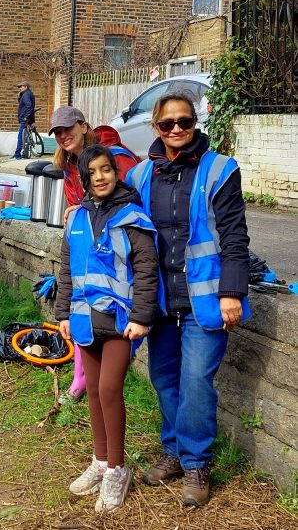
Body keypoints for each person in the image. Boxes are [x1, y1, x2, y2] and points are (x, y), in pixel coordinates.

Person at [126, 92, 250, 507]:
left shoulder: (219, 170)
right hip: (158, 301)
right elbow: (117, 219)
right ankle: (174, 452)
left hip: (206, 299)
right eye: (168, 124)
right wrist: (80, 209)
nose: (177, 129)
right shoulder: (141, 175)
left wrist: (232, 291)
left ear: (196, 123)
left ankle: (197, 462)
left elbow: (234, 235)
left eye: (185, 122)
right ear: (155, 128)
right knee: (164, 379)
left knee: (196, 382)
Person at [55, 145, 158, 514]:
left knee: (111, 388)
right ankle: (100, 461)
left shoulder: (133, 218)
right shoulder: (77, 219)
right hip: (84, 320)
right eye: (93, 173)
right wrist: (62, 313)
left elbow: (147, 270)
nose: (100, 177)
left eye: (106, 170)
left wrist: (141, 317)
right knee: (95, 392)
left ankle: (117, 468)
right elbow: (66, 270)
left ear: (116, 173)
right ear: (84, 180)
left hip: (120, 322)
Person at [50, 106, 141, 403]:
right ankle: (82, 379)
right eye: (58, 133)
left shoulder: (112, 154)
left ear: (84, 125)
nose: (64, 136)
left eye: (68, 129)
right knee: (82, 307)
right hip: (90, 247)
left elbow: (128, 196)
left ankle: (95, 381)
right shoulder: (69, 164)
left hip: (119, 248)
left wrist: (89, 207)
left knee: (111, 314)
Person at [14, 81, 35, 160]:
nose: (19, 88)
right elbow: (23, 104)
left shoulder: (26, 95)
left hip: (25, 119)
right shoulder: (29, 94)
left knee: (20, 137)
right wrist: (19, 97)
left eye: (21, 87)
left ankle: (18, 154)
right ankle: (23, 154)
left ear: (26, 87)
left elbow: (28, 106)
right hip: (29, 117)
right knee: (25, 136)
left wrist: (26, 118)